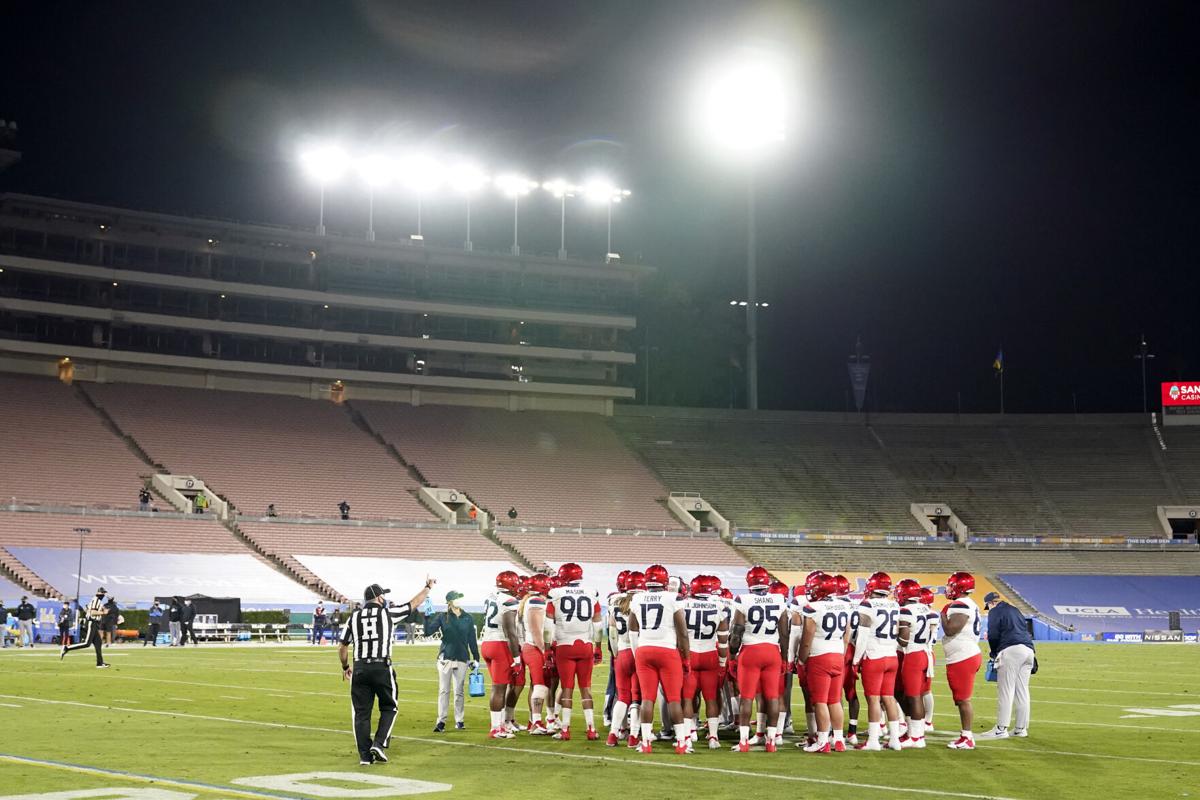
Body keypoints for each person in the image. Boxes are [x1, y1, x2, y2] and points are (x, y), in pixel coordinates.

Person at [339, 578, 435, 765]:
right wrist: (428, 587)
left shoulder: (354, 617)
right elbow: (413, 604)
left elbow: (342, 646)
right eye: (383, 595)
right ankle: (379, 743)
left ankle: (365, 756)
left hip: (360, 668)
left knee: (361, 714)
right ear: (378, 597)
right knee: (389, 707)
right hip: (382, 667)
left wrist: (345, 667)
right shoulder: (387, 613)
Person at [628, 563, 691, 754]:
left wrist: (636, 653)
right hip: (667, 651)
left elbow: (632, 630)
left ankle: (646, 742)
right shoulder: (673, 597)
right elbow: (683, 632)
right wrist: (686, 658)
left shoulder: (637, 598)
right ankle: (681, 742)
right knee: (673, 699)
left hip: (644, 650)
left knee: (647, 699)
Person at [546, 562, 602, 742]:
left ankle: (565, 730)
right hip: (585, 644)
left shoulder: (556, 594)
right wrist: (598, 646)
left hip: (564, 645)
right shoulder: (591, 593)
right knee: (586, 688)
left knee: (567, 688)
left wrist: (547, 649)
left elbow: (548, 627)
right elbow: (598, 625)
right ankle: (591, 728)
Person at [797, 573, 850, 753]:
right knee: (834, 701)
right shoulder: (844, 605)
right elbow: (846, 635)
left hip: (819, 655)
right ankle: (839, 740)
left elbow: (806, 639)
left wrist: (802, 659)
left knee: (820, 701)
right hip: (837, 654)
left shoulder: (813, 608)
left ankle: (822, 741)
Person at [852, 571, 902, 751]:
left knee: (873, 699)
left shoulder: (867, 605)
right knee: (889, 698)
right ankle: (895, 739)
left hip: (874, 656)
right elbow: (896, 630)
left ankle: (873, 740)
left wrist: (856, 660)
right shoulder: (895, 604)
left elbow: (863, 636)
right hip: (891, 655)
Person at [979, 591, 1036, 740]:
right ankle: (1020, 728)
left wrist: (993, 653)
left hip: (1011, 650)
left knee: (1006, 690)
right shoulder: (1015, 609)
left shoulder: (995, 611)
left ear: (991, 603)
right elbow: (1025, 631)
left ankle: (1001, 729)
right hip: (1028, 650)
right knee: (1022, 691)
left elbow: (993, 634)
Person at [682, 575, 730, 749]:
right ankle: (713, 738)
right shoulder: (719, 606)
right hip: (710, 654)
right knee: (711, 698)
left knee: (687, 698)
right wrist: (723, 662)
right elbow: (723, 640)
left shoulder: (684, 604)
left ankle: (687, 736)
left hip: (691, 652)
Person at [425, 590, 481, 733]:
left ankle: (459, 720)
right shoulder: (443, 617)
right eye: (456, 598)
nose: (459, 600)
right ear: (449, 601)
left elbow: (472, 639)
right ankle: (441, 721)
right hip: (446, 657)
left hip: (462, 657)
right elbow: (427, 632)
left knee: (459, 691)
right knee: (444, 690)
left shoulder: (467, 617)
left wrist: (476, 657)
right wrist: (426, 616)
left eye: (460, 598)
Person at [942, 572, 983, 749]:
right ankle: (965, 735)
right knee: (960, 699)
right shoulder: (969, 604)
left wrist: (943, 615)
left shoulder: (961, 604)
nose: (948, 588)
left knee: (963, 699)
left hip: (963, 656)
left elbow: (951, 629)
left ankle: (967, 737)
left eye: (951, 585)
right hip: (964, 655)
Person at [480, 571, 522, 738]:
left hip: (486, 643)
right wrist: (517, 658)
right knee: (499, 688)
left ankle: (500, 726)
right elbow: (510, 632)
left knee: (499, 687)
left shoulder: (491, 596)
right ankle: (496, 728)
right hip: (499, 645)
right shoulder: (510, 601)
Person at [60, 587, 110, 668]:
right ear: (98, 592)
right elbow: (93, 612)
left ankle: (100, 663)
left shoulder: (95, 600)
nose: (103, 594)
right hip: (91, 622)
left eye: (104, 593)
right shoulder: (96, 600)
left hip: (93, 623)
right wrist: (103, 612)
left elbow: (87, 608)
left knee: (98, 643)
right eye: (102, 593)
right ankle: (67, 648)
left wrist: (93, 611)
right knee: (87, 643)